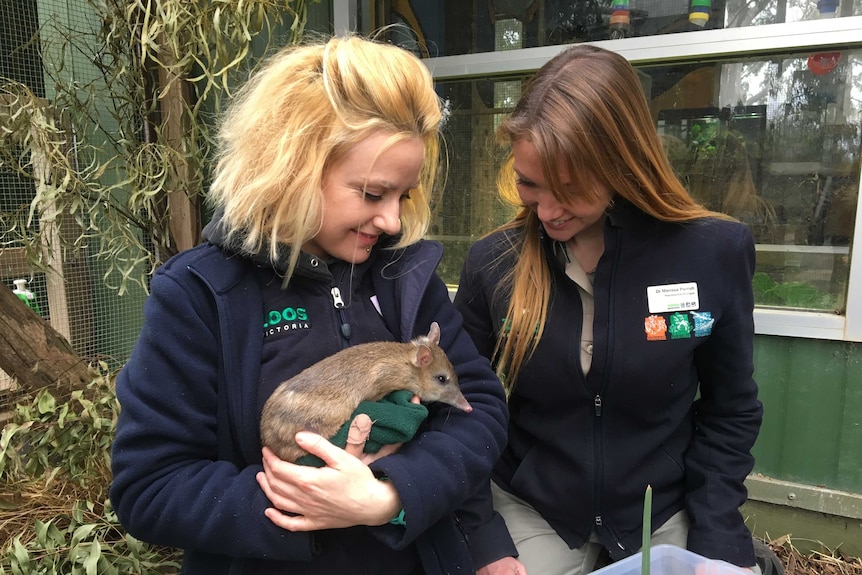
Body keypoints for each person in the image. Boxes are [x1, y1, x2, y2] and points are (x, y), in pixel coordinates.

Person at [109, 34, 509, 575]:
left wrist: (390, 496)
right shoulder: (201, 293)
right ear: (293, 167)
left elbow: (478, 410)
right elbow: (149, 486)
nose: (392, 221)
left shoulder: (404, 274)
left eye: (403, 196)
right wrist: (308, 502)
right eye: (372, 194)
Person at [454, 44, 763, 575]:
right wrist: (482, 540)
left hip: (662, 508)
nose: (546, 211)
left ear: (623, 164)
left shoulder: (713, 253)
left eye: (570, 189)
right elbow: (456, 412)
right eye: (529, 183)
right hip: (534, 507)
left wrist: (717, 536)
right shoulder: (494, 263)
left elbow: (730, 409)